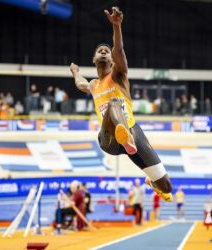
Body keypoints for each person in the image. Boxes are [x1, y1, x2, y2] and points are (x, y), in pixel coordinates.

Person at [70, 7, 172, 202]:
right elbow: (80, 83)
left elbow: (119, 50)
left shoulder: (118, 75)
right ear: (94, 59)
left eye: (106, 51)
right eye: (99, 51)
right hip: (109, 138)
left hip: (133, 132)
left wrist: (116, 26)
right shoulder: (94, 85)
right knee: (113, 103)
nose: (103, 52)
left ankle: (151, 181)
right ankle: (125, 140)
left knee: (167, 186)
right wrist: (75, 72)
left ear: (111, 60)